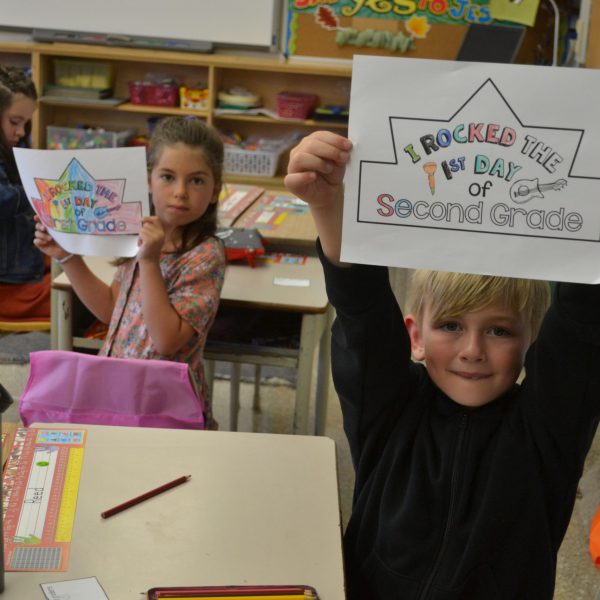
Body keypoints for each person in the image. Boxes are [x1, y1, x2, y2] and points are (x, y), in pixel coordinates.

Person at [285, 130, 600, 599]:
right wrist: (328, 206)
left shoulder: (546, 429)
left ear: (530, 342)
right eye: (451, 326)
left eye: (500, 331)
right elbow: (362, 312)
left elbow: (581, 330)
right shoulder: (389, 406)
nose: (472, 349)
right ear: (415, 336)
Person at [34, 117, 226, 426]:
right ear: (148, 181)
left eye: (197, 180)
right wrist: (67, 256)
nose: (180, 192)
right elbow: (112, 309)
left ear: (215, 190)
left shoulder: (205, 255)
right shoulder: (137, 231)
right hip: (118, 393)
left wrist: (149, 262)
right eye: (167, 177)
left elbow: (166, 340)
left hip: (165, 407)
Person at [0, 65, 50, 323]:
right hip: (10, 284)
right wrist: (40, 190)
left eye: (26, 123)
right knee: (75, 295)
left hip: (20, 265)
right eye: (14, 122)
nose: (21, 132)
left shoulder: (12, 147)